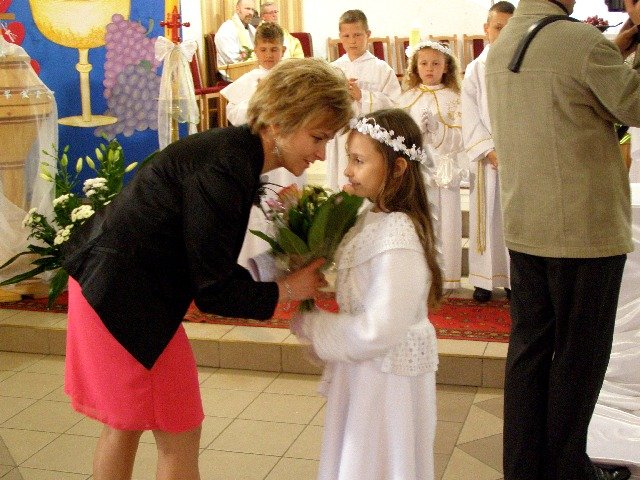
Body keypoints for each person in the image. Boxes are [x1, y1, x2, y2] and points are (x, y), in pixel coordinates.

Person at [60, 58, 353, 480]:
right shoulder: (226, 166)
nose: (322, 153)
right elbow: (213, 290)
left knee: (124, 426)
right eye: (318, 137)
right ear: (280, 121)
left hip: (105, 289)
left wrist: (278, 270)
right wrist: (287, 288)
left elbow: (207, 257)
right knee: (176, 429)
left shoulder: (232, 152)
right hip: (124, 305)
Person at [485, 0, 640, 478]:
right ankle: (567, 469)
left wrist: (617, 51)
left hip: (527, 226)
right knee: (579, 356)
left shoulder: (504, 42)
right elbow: (633, 105)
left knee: (529, 353)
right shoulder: (581, 43)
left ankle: (523, 468)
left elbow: (562, 94)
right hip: (583, 232)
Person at [291, 108, 443, 480]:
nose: (347, 170)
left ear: (398, 168)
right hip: (364, 372)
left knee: (375, 464)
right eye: (349, 159)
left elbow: (381, 329)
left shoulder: (399, 235)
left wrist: (316, 327)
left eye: (359, 161)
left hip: (386, 384)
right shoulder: (371, 218)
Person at [220, 22, 305, 270]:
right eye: (264, 49)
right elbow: (234, 115)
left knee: (288, 199)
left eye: (274, 49)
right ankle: (256, 257)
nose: (269, 55)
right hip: (259, 152)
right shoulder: (247, 81)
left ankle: (291, 256)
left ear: (283, 50)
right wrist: (259, 101)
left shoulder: (293, 81)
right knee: (260, 203)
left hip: (288, 152)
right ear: (255, 50)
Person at [399, 40, 465, 290]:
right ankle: (420, 273)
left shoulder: (454, 98)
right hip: (417, 169)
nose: (429, 68)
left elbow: (461, 137)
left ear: (446, 67)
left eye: (436, 63)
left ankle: (447, 276)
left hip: (444, 168)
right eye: (424, 63)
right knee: (420, 220)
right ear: (415, 67)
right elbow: (399, 134)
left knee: (447, 222)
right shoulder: (407, 98)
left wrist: (438, 130)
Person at [461, 1, 514, 303]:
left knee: (512, 220)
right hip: (487, 159)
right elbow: (469, 113)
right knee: (485, 218)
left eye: (510, 28)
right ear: (487, 29)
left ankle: (512, 280)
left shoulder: (523, 65)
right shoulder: (475, 69)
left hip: (516, 156)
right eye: (498, 27)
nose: (503, 34)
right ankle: (483, 280)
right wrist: (488, 150)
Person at [325, 9, 401, 191]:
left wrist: (363, 96)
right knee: (341, 183)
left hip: (369, 139)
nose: (352, 41)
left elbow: (395, 106)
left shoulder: (382, 69)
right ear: (340, 37)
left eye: (358, 35)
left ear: (368, 34)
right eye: (347, 36)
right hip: (340, 136)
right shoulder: (332, 69)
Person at [214, 0, 256, 77]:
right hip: (233, 75)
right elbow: (232, 59)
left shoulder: (252, 29)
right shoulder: (227, 29)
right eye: (247, 8)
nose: (251, 13)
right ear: (237, 9)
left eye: (252, 9)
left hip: (250, 70)